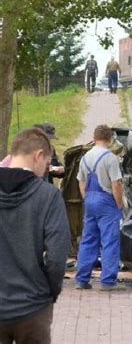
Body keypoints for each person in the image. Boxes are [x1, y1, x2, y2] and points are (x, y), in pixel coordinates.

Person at [0, 128, 70, 344]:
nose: (45, 171)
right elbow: (57, 257)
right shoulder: (48, 196)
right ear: (38, 156)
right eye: (47, 165)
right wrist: (50, 292)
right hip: (33, 307)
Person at [75, 125, 125, 291]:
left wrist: (88, 199)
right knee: (109, 241)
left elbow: (81, 183)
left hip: (89, 199)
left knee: (88, 240)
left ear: (94, 138)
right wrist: (119, 204)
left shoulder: (84, 158)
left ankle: (81, 280)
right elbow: (116, 184)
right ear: (110, 139)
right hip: (107, 201)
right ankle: (108, 282)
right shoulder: (110, 158)